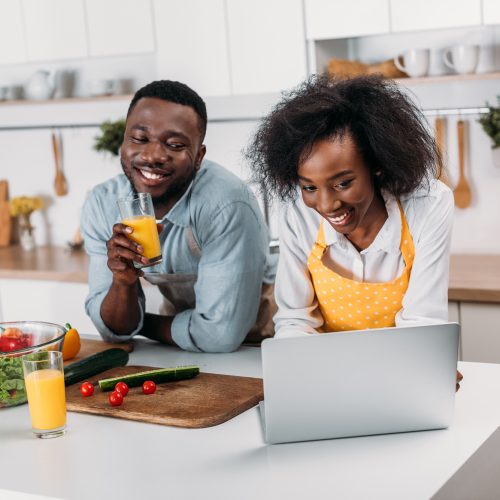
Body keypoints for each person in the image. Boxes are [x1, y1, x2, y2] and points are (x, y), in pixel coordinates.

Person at [246, 74, 462, 390]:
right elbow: (296, 321)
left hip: (400, 380)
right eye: (309, 187)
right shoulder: (297, 215)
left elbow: (422, 326)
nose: (327, 204)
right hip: (326, 381)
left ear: (376, 164)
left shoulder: (428, 205)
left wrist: (423, 366)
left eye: (343, 183)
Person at [81, 80, 274, 353]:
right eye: (139, 138)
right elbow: (113, 329)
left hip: (255, 345)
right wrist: (122, 282)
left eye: (174, 144)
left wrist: (141, 325)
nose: (153, 156)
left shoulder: (226, 205)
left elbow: (220, 335)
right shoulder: (103, 204)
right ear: (123, 141)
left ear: (198, 156)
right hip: (178, 343)